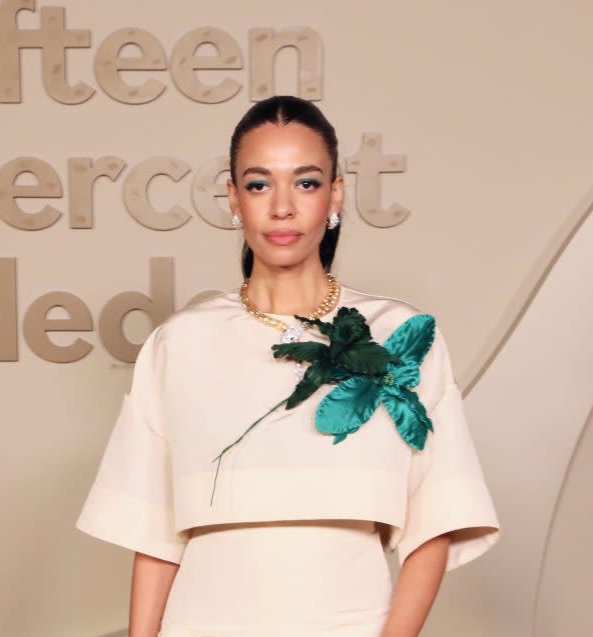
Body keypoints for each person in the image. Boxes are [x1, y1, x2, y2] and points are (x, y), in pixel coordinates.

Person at [75, 95, 501, 637]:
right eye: (258, 184)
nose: (282, 207)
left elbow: (434, 523)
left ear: (335, 194)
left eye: (305, 182)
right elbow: (156, 538)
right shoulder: (178, 345)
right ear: (233, 198)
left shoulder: (399, 336)